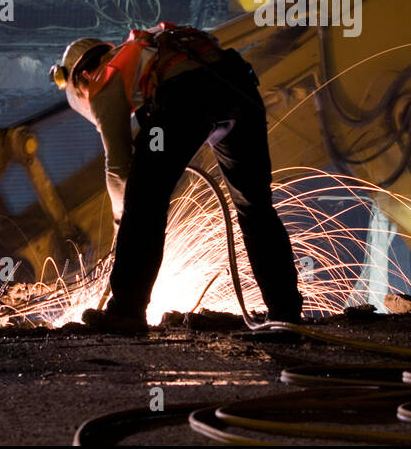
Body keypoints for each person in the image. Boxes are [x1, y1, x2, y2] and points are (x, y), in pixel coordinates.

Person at [50, 22, 304, 332]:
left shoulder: (102, 78)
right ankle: (285, 312)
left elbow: (117, 168)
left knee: (145, 203)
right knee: (255, 206)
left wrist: (124, 225)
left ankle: (126, 311)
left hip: (186, 95)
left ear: (80, 80)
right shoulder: (145, 50)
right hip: (238, 87)